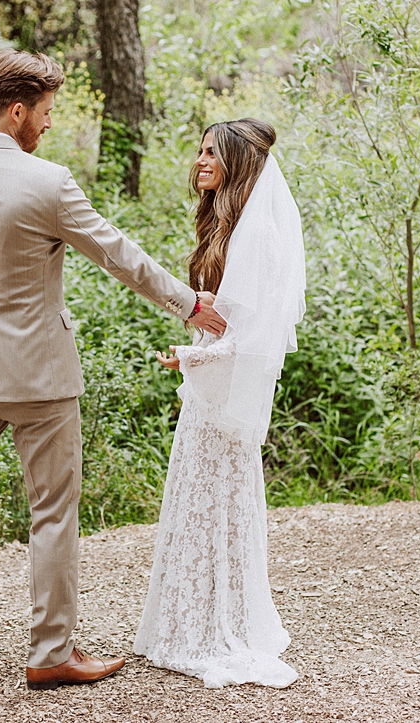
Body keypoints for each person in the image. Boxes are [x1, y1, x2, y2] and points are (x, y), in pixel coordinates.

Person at [0, 49, 226, 691]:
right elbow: (118, 255)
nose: (50, 125)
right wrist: (190, 304)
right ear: (19, 109)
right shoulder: (46, 182)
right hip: (40, 379)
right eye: (47, 112)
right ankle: (51, 654)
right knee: (52, 509)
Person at [133, 119, 306, 689]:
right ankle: (190, 623)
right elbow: (226, 314)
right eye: (200, 149)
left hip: (221, 391)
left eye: (212, 152)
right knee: (200, 503)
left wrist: (191, 353)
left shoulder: (257, 234)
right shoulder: (225, 226)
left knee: (218, 503)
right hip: (209, 392)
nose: (201, 159)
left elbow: (252, 333)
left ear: (238, 162)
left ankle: (217, 628)